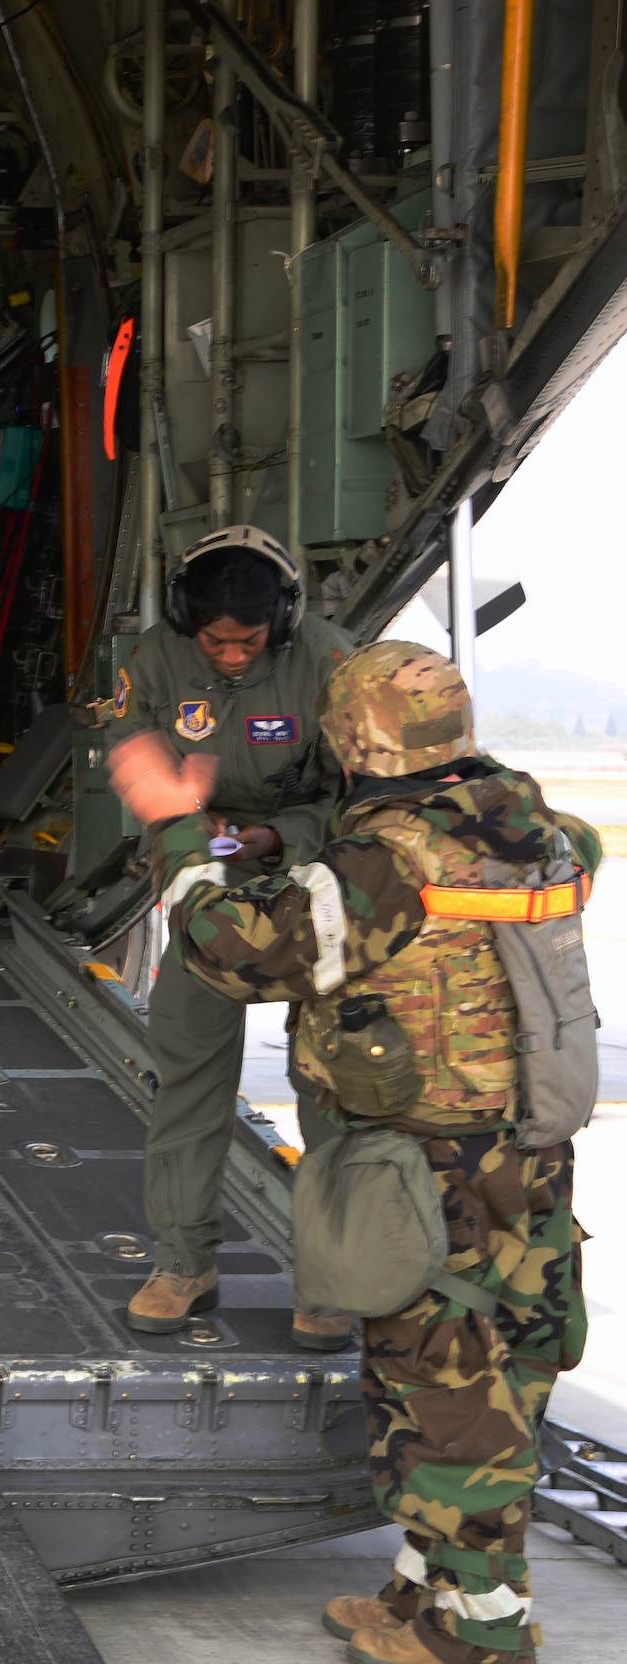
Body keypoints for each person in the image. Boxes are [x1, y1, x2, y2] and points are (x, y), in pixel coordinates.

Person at [111, 642, 594, 1664]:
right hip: (523, 1150)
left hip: (433, 1161)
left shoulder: (390, 855)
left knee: (451, 1381)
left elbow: (241, 949)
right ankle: (424, 1595)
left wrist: (178, 830)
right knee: (475, 1363)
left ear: (351, 735)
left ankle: (480, 1633)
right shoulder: (525, 814)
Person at [106, 524, 354, 1346]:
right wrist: (189, 844)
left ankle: (325, 1281)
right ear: (186, 623)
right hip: (201, 886)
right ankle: (183, 1263)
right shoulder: (152, 664)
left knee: (325, 1085)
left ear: (280, 623)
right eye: (215, 641)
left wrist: (278, 836)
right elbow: (136, 766)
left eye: (248, 642)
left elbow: (362, 799)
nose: (231, 656)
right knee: (188, 1074)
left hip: (309, 885)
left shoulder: (332, 666)